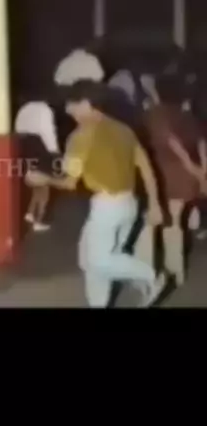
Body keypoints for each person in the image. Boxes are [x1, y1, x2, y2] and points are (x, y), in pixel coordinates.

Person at [25, 80, 167, 308]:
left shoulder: (80, 137)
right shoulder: (124, 130)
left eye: (72, 104)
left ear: (86, 103)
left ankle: (150, 275)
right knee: (90, 260)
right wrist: (154, 203)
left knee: (99, 261)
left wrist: (43, 179)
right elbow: (146, 168)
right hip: (130, 205)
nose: (68, 110)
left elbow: (69, 182)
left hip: (107, 207)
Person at [143, 76, 207, 285]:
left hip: (169, 174)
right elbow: (201, 142)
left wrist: (190, 165)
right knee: (176, 221)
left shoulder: (158, 114)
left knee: (163, 222)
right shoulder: (186, 114)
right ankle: (176, 269)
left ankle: (163, 269)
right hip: (188, 176)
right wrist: (201, 170)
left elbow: (170, 140)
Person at [15, 99, 60, 232]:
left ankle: (30, 213)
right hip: (41, 148)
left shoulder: (24, 108)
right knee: (44, 186)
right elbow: (48, 131)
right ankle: (38, 220)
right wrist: (55, 152)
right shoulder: (44, 109)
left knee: (35, 183)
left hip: (25, 147)